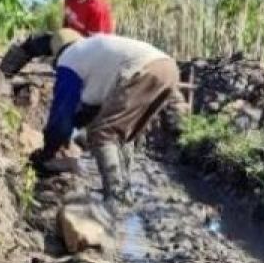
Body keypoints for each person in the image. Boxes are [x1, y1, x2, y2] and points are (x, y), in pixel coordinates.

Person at [32, 28, 180, 203]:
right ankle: (125, 191)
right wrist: (73, 129)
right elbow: (91, 109)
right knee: (122, 133)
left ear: (57, 53)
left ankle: (115, 198)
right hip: (168, 68)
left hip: (143, 71)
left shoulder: (69, 58)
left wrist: (49, 150)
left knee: (103, 132)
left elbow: (62, 112)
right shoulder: (91, 52)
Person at [0, 0, 114, 77]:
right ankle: (3, 73)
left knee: (61, 61)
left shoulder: (97, 8)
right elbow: (66, 26)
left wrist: (66, 54)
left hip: (87, 50)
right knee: (34, 42)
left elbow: (97, 45)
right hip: (69, 42)